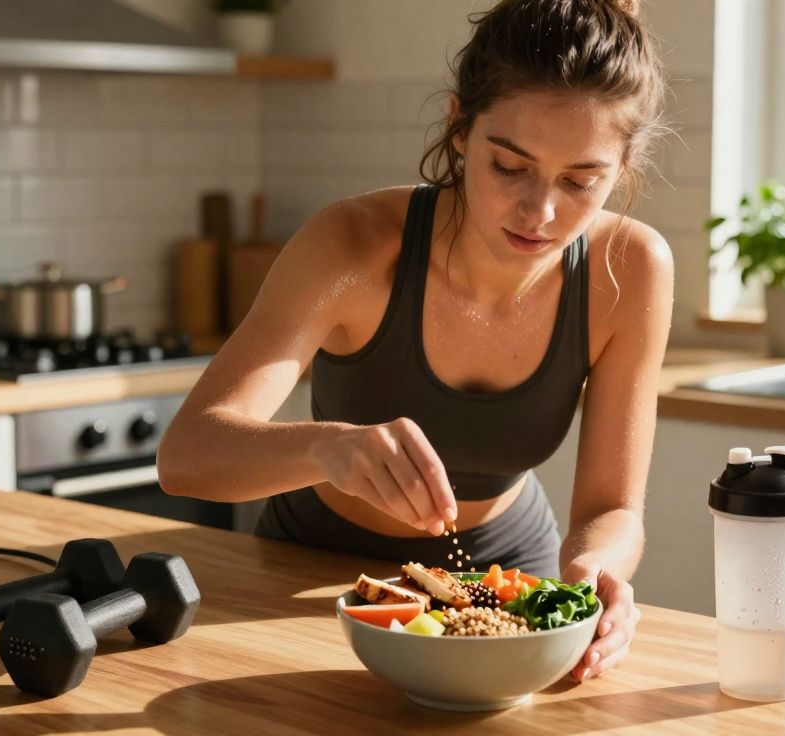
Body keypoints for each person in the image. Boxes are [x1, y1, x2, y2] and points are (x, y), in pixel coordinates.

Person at [159, 0, 671, 682]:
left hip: (505, 577)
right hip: (305, 573)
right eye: (509, 167)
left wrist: (593, 575)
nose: (541, 212)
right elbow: (188, 455)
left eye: (582, 181)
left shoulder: (631, 269)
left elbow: (612, 509)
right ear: (460, 127)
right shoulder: (351, 246)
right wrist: (327, 446)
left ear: (622, 166)